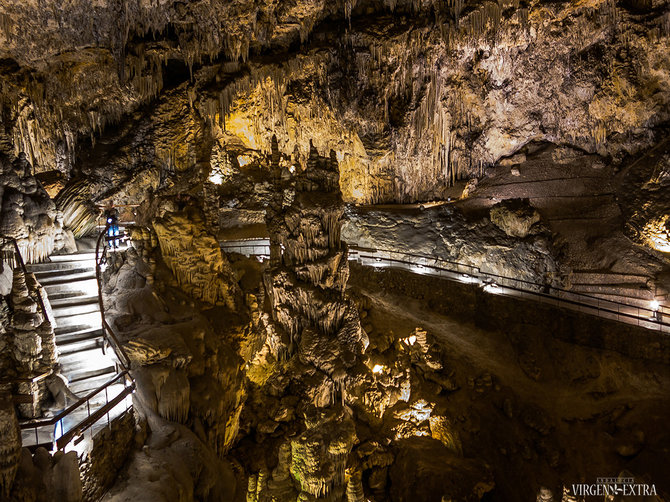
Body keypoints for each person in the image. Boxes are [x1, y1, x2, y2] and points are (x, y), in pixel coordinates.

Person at [45, 370, 80, 441]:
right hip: (61, 405)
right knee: (59, 422)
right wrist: (79, 400)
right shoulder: (59, 381)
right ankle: (58, 439)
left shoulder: (48, 381)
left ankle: (57, 438)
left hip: (55, 405)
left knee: (57, 422)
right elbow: (68, 393)